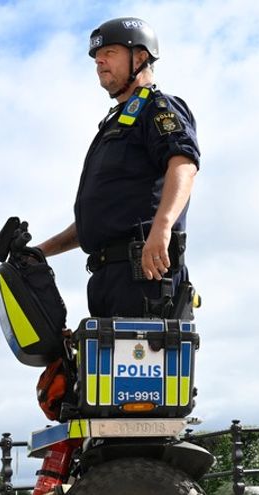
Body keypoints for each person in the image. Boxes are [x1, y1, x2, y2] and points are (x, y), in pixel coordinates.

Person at [37, 16, 200, 318]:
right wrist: (41, 252)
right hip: (106, 279)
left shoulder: (158, 108)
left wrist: (162, 229)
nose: (99, 61)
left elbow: (184, 164)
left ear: (140, 57)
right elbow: (101, 220)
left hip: (145, 276)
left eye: (109, 52)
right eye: (96, 56)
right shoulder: (117, 122)